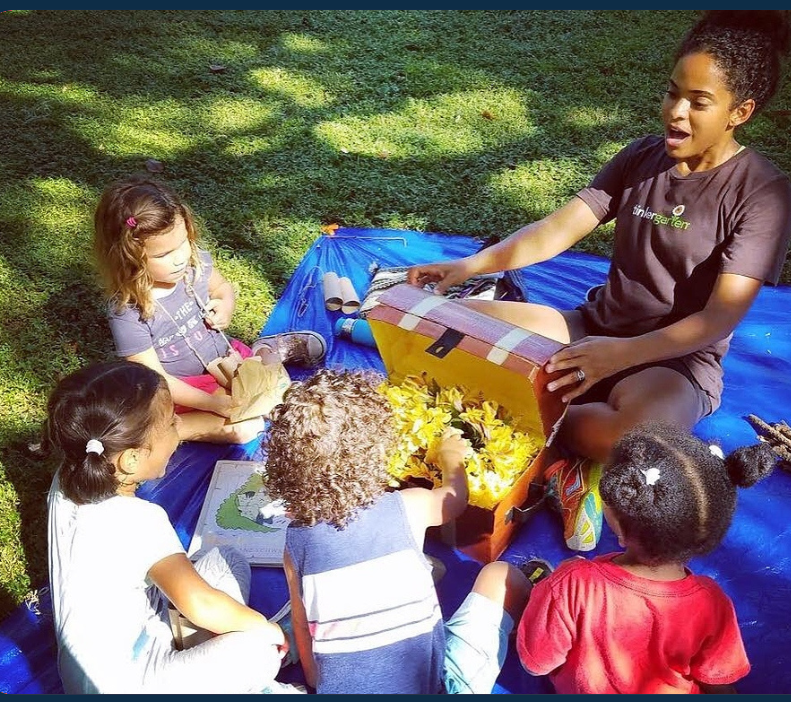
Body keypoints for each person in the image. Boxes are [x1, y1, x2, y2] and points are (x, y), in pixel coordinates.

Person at [407, 11, 791, 464]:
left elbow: (718, 319)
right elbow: (557, 229)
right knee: (442, 331)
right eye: (672, 92)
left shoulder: (764, 193)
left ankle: (515, 407)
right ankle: (522, 405)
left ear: (740, 112)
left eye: (698, 101)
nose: (676, 111)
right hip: (590, 330)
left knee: (624, 442)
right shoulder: (641, 157)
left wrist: (621, 356)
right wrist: (468, 266)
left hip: (672, 363)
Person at [262, 368, 532, 694]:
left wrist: (317, 680)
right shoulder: (410, 506)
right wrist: (451, 459)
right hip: (434, 687)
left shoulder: (297, 541)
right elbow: (454, 500)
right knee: (503, 578)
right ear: (382, 452)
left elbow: (307, 642)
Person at [45, 360, 300, 694]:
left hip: (111, 658)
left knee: (227, 558)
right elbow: (201, 604)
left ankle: (202, 648)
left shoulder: (68, 480)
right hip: (132, 685)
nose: (179, 425)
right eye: (169, 423)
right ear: (131, 459)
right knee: (257, 651)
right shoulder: (139, 520)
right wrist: (267, 631)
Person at [515, 421, 777, 694]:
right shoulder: (712, 602)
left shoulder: (572, 584)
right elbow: (720, 684)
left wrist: (548, 593)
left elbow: (537, 662)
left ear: (618, 522)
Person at [94, 175, 327, 444]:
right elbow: (155, 379)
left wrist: (225, 304)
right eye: (162, 255)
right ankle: (175, 427)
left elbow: (222, 288)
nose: (180, 258)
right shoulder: (128, 310)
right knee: (243, 430)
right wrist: (209, 403)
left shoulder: (194, 263)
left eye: (183, 243)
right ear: (127, 257)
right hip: (187, 388)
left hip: (227, 359)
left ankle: (267, 349)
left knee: (276, 389)